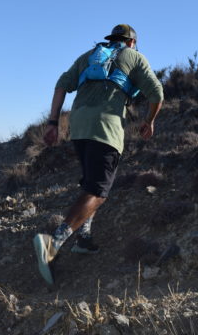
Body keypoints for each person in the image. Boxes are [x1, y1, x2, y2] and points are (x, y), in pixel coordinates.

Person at [32, 24, 164, 286]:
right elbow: (157, 94)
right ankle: (53, 242)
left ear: (112, 40)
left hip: (78, 126)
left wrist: (52, 122)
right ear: (131, 42)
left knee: (91, 181)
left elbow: (61, 84)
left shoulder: (89, 56)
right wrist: (150, 120)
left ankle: (84, 239)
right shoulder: (134, 56)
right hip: (106, 128)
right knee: (98, 192)